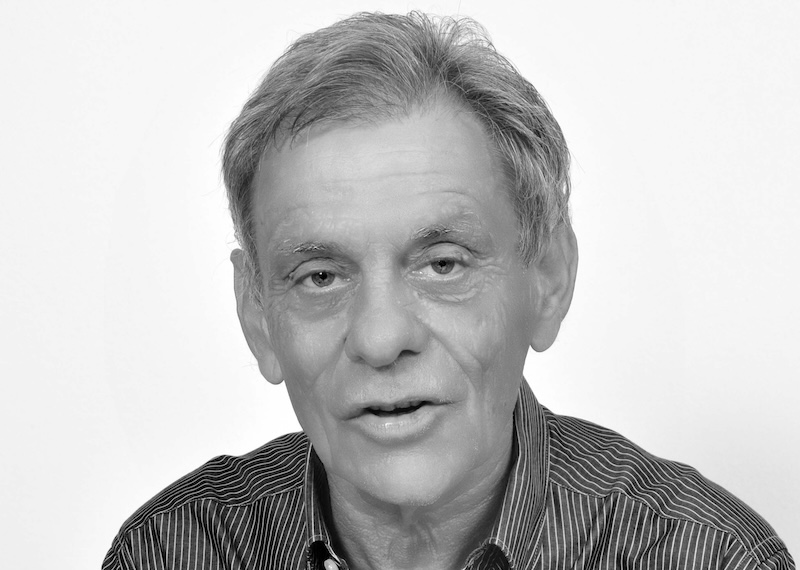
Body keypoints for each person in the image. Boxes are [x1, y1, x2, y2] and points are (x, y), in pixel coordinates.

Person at [103, 11, 794, 570]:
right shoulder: (172, 552)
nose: (381, 339)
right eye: (321, 277)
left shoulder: (707, 557)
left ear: (548, 279)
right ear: (258, 315)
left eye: (442, 265)